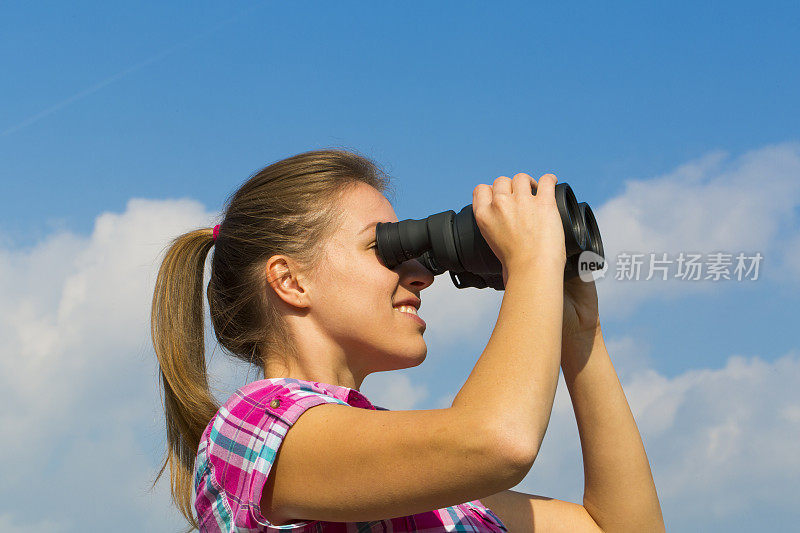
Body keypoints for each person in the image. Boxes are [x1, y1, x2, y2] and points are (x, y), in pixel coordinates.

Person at [151, 148, 665, 532]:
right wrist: (531, 262)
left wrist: (578, 333)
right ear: (290, 280)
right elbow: (496, 442)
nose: (420, 274)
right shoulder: (251, 429)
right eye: (385, 248)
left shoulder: (428, 487)